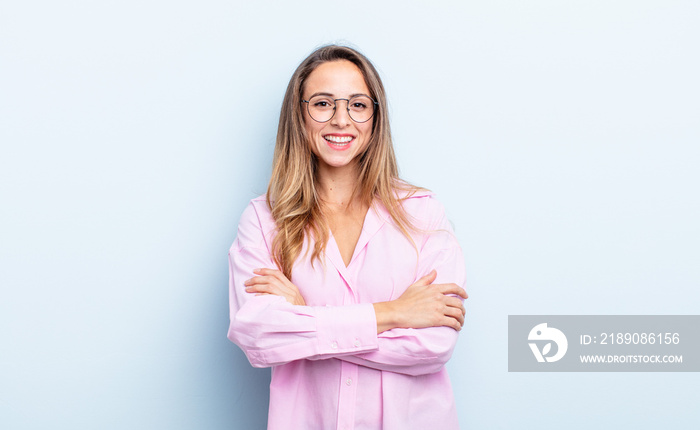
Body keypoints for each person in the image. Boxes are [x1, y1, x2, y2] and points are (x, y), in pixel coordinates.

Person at [227, 45, 468, 430]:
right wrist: (393, 313)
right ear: (299, 115)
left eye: (357, 105)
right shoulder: (263, 219)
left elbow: (434, 345)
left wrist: (306, 318)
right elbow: (259, 337)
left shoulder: (422, 213)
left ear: (375, 116)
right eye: (323, 104)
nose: (341, 120)